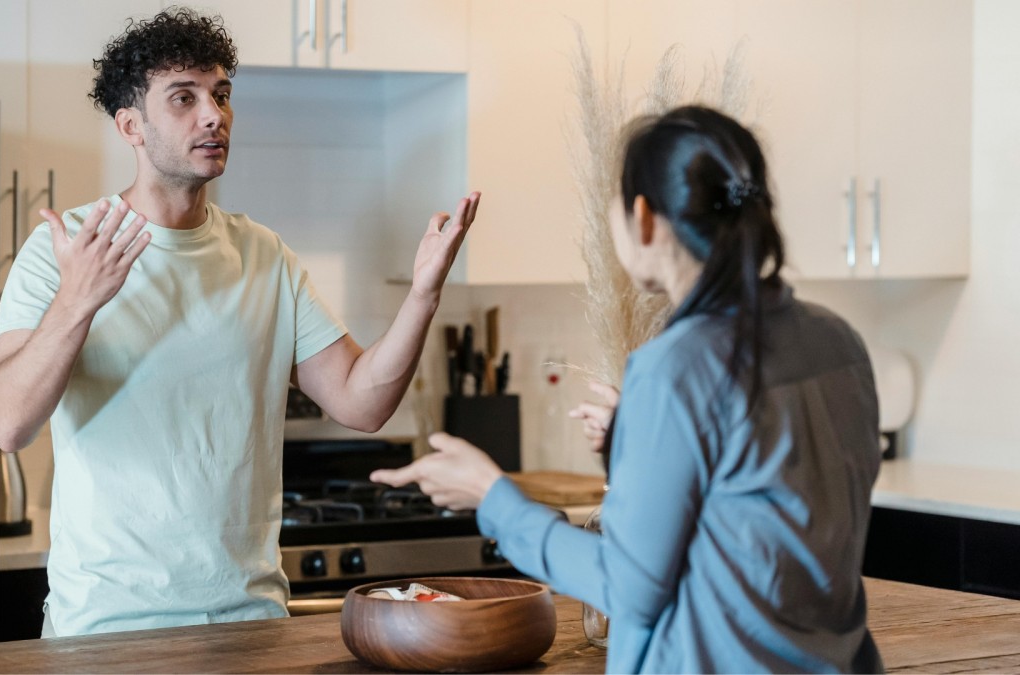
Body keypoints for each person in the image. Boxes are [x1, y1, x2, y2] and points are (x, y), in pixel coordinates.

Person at [0, 8, 479, 637]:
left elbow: (361, 402)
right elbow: (6, 424)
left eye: (220, 95)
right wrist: (78, 300)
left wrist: (423, 295)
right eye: (183, 99)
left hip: (250, 623)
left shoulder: (263, 255)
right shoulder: (68, 249)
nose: (213, 115)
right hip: (108, 631)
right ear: (130, 126)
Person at [372, 106, 883, 673]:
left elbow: (629, 586)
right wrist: (634, 437)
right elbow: (763, 515)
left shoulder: (676, 367)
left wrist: (493, 496)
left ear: (642, 217)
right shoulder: (841, 342)